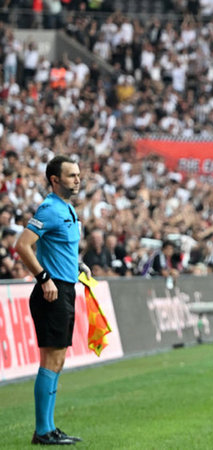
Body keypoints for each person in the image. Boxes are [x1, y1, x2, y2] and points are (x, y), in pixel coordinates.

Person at [15, 155, 89, 445]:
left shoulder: (67, 208)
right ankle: (42, 431)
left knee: (57, 360)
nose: (78, 179)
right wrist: (44, 278)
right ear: (55, 180)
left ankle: (48, 427)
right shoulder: (49, 209)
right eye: (71, 175)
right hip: (52, 292)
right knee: (51, 359)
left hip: (65, 288)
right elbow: (22, 246)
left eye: (78, 174)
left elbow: (59, 248)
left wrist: (77, 266)